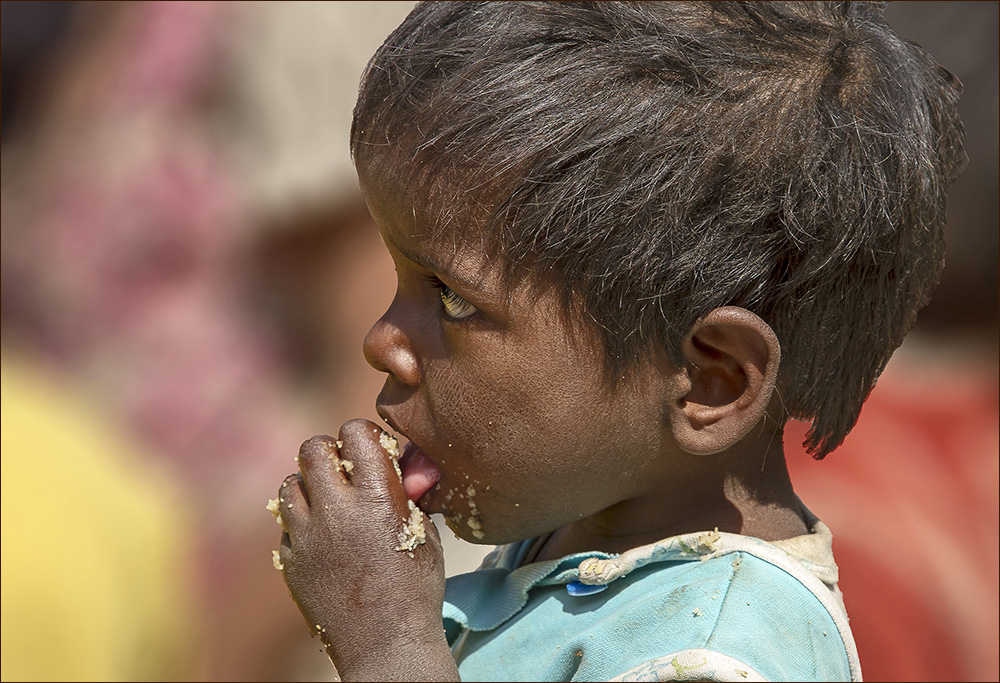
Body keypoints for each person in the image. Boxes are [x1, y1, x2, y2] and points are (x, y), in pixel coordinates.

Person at [271, 2, 965, 681]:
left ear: (708, 380)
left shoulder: (719, 653)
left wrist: (388, 644)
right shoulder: (581, 521)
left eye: (451, 297)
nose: (380, 340)